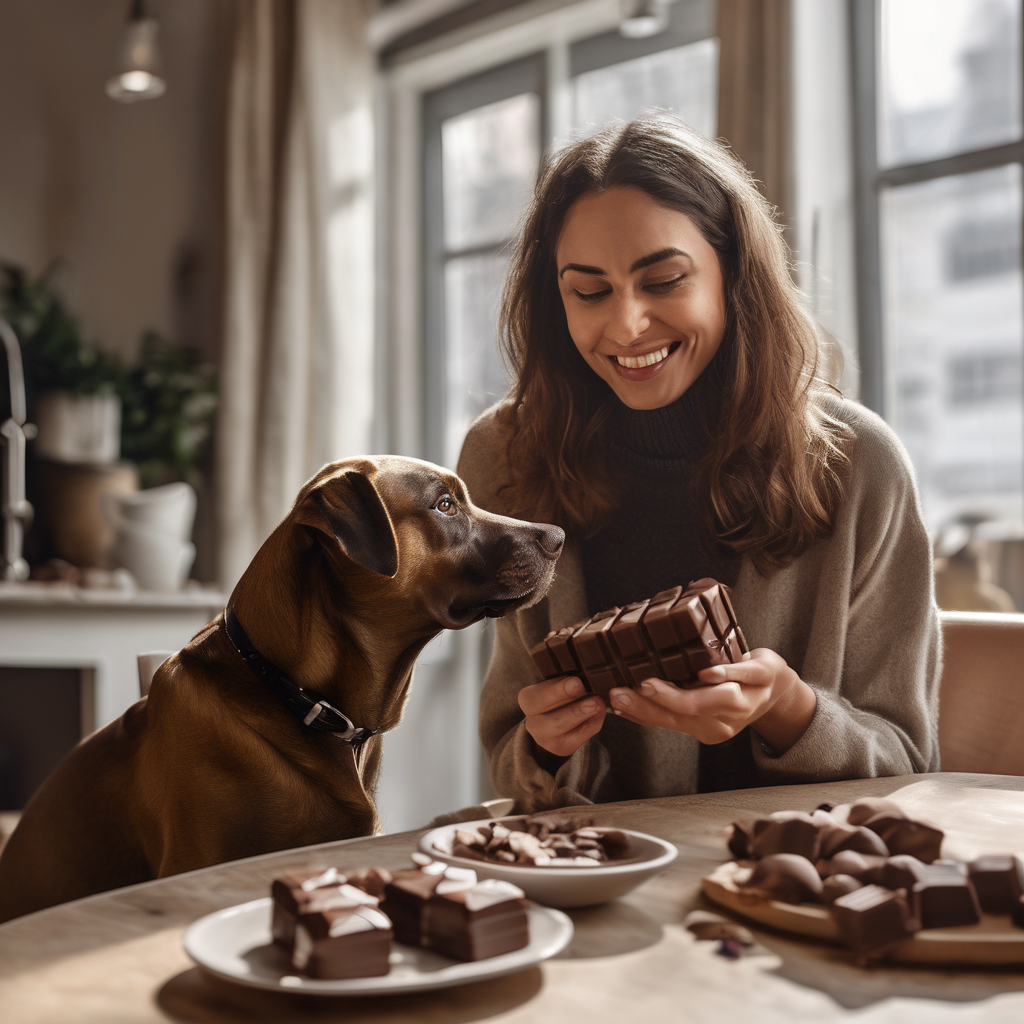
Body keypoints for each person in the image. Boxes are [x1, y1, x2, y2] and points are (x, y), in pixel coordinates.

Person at [457, 114, 940, 812]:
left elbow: (910, 761)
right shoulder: (506, 458)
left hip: (795, 889)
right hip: (602, 883)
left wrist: (790, 708)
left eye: (663, 281)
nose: (625, 326)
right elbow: (511, 749)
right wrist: (543, 747)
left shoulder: (859, 464)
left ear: (732, 273)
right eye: (588, 292)